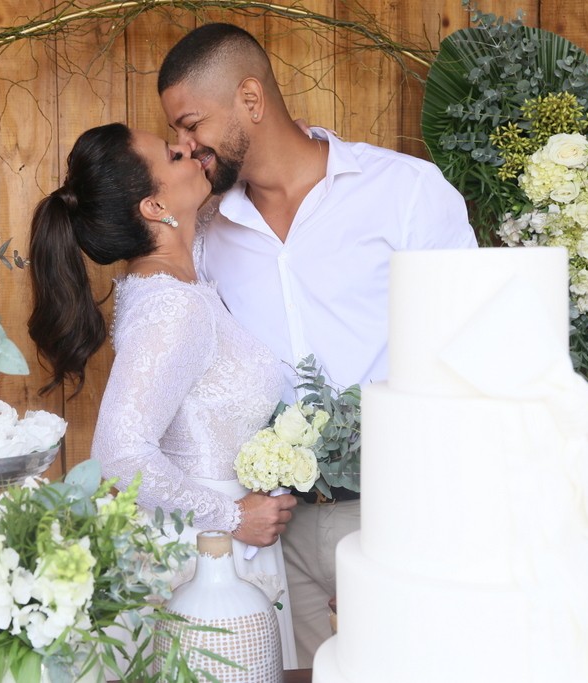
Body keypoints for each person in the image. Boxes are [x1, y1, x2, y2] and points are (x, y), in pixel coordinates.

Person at [158, 23, 479, 667]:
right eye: (177, 134)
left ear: (251, 98)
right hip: (277, 533)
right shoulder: (205, 233)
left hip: (401, 513)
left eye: (193, 125)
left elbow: (468, 352)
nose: (186, 148)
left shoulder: (407, 193)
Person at [27, 122, 300, 668]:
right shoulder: (172, 308)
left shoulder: (173, 274)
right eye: (174, 155)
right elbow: (119, 455)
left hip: (220, 542)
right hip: (207, 559)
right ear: (153, 207)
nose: (189, 150)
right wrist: (230, 516)